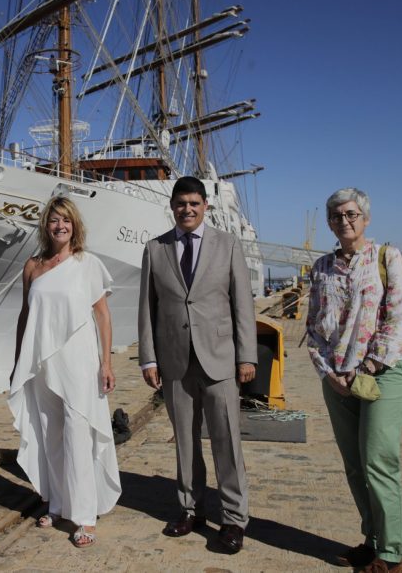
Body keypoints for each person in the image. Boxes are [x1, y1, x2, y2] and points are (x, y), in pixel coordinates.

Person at [138, 176, 258, 554]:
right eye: (180, 204)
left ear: (205, 205)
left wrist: (247, 356)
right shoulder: (155, 249)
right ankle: (190, 509)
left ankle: (234, 519)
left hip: (220, 359)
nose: (186, 209)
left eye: (193, 203)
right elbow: (147, 308)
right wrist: (148, 357)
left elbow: (243, 304)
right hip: (175, 359)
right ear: (172, 207)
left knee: (226, 442)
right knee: (185, 443)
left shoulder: (228, 244)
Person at [306, 187, 402, 573]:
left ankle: (392, 553)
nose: (344, 221)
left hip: (382, 374)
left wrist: (366, 367)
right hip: (337, 380)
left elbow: (396, 317)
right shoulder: (320, 267)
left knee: (379, 461)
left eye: (351, 214)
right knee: (354, 464)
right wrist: (328, 372)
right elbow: (313, 327)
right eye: (336, 216)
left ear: (365, 219)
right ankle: (372, 540)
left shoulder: (387, 257)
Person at [9, 196, 121, 548]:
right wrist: (17, 363)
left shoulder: (87, 263)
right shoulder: (33, 265)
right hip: (42, 362)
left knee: (77, 431)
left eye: (66, 220)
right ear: (46, 225)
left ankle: (85, 515)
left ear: (75, 225)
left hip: (79, 361)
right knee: (49, 433)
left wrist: (106, 361)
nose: (60, 226)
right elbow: (26, 316)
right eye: (54, 220)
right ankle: (56, 503)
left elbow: (102, 315)